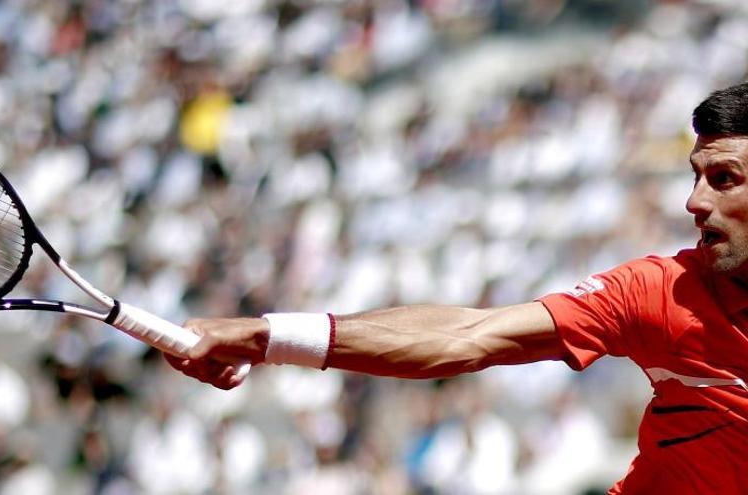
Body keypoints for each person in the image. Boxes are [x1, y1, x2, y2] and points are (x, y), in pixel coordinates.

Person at [166, 81, 748, 494]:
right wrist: (270, 336)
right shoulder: (660, 292)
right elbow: (466, 336)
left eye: (724, 180)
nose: (694, 202)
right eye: (694, 177)